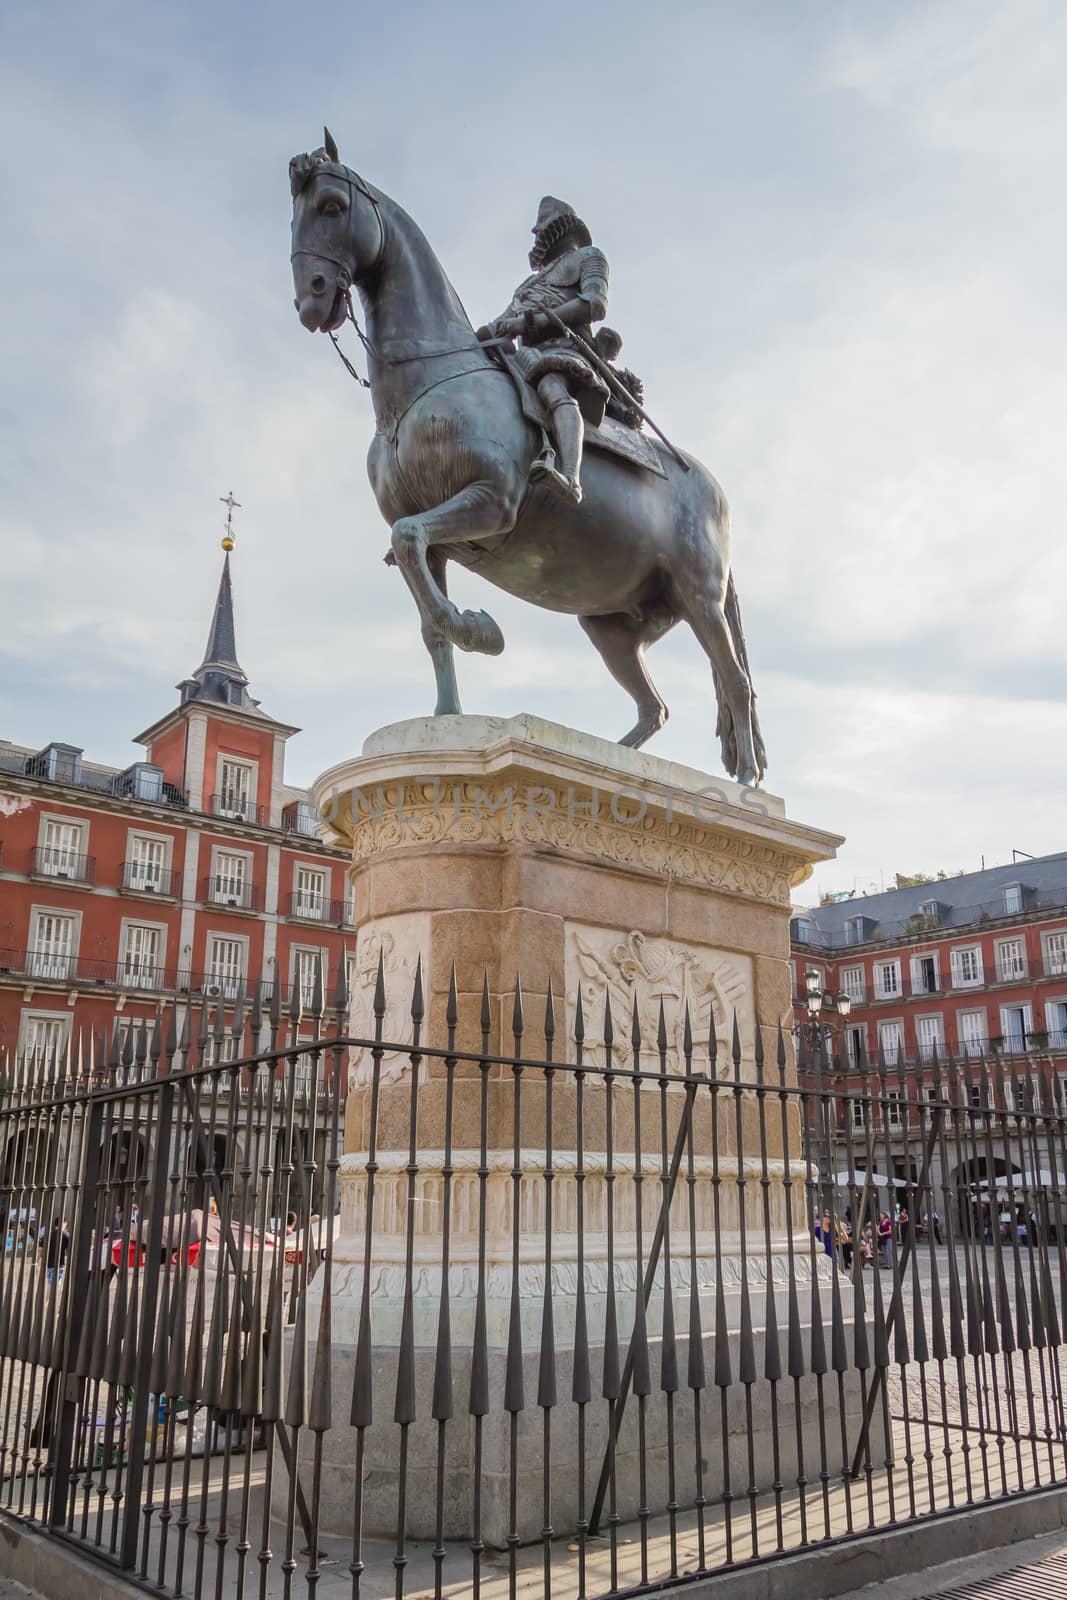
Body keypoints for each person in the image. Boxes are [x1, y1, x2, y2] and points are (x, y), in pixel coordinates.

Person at [478, 196, 610, 504]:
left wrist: (532, 321)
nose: (536, 236)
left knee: (552, 386)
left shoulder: (590, 256)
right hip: (526, 356)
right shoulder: (527, 285)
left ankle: (571, 477)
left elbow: (596, 303)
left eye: (542, 228)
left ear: (560, 227)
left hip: (566, 350)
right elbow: (503, 322)